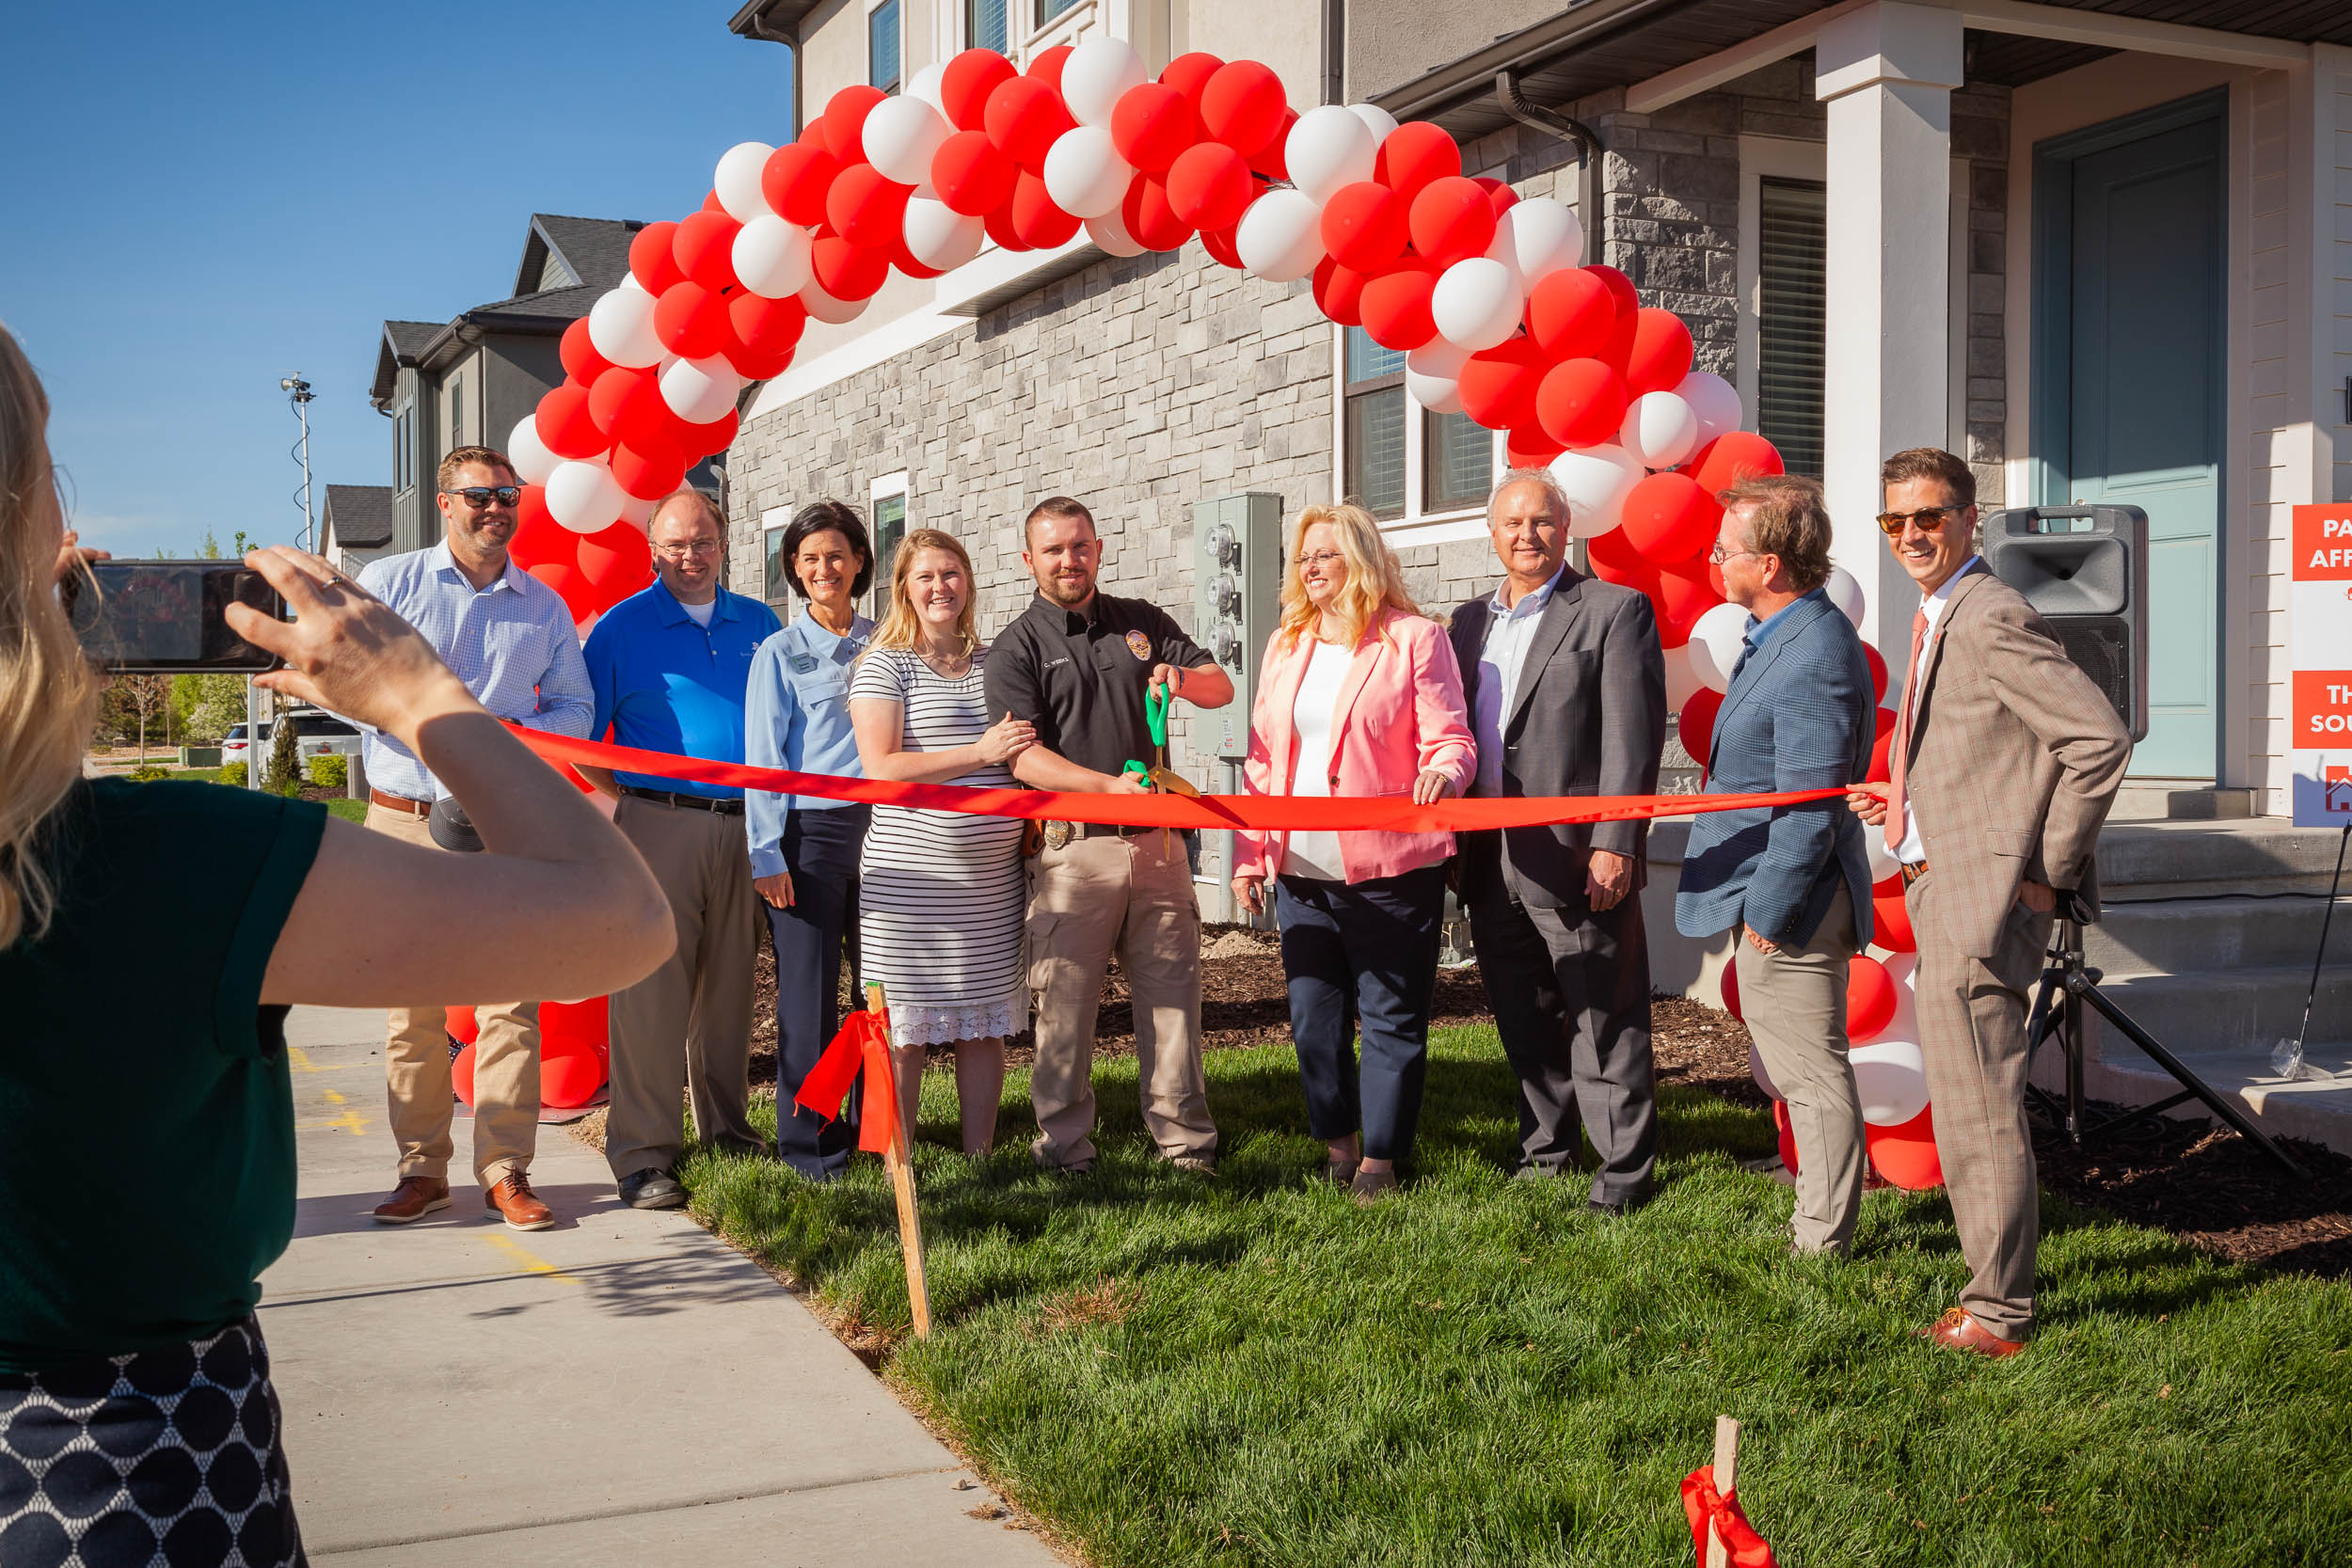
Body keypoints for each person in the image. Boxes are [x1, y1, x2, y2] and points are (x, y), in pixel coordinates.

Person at [0, 323, 671, 1562]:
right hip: (124, 1484)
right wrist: (420, 696)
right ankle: (429, 1161)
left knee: (498, 1017)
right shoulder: (164, 862)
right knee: (438, 1021)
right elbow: (619, 917)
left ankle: (501, 1165)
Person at [1850, 448, 2130, 1355]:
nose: (1912, 536)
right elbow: (1991, 750)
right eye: (1896, 522)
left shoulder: (1989, 612)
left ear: (1971, 519)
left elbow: (2096, 739)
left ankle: (1999, 1313)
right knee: (1974, 1099)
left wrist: (2047, 869)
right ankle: (1992, 1292)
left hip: (1983, 899)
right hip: (1948, 884)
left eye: (1929, 517)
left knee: (1978, 1109)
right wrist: (1909, 801)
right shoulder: (1944, 613)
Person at [354, 446, 596, 1230]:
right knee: (410, 1009)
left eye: (508, 495)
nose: (498, 507)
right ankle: (421, 1169)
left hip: (501, 823)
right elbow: (349, 690)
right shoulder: (389, 586)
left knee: (508, 1004)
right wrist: (434, 727)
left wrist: (503, 737)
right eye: (481, 495)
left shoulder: (544, 606)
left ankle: (505, 1168)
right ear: (444, 502)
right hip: (404, 818)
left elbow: (574, 710)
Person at [1230, 504, 1474, 1202]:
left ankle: (1381, 1160)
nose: (1310, 569)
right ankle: (1338, 1143)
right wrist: (1251, 853)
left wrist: (1446, 772)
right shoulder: (1286, 643)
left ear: (1361, 560)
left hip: (1393, 868)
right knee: (1313, 1015)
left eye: (1325, 556)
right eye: (1304, 557)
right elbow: (1262, 758)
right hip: (1300, 869)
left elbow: (1451, 736)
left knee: (1392, 1012)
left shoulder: (1414, 639)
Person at [984, 497, 1232, 1176]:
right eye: (1055, 549)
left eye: (1080, 546)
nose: (1070, 559)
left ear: (1098, 548)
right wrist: (1102, 787)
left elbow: (1222, 687)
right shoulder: (1017, 646)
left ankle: (1186, 1144)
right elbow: (1022, 758)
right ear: (1029, 559)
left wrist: (1176, 676)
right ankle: (1065, 1147)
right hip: (1075, 849)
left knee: (1173, 1000)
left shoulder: (1142, 623)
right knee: (1064, 1006)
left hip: (1159, 844)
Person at [1449, 470, 1668, 1213]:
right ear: (1492, 532)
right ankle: (1546, 1151)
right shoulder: (1467, 622)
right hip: (1489, 857)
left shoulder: (1613, 611)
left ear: (1565, 528)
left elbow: (1631, 742)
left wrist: (1617, 843)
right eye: (1512, 523)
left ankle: (1623, 1174)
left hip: (1579, 854)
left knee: (1603, 1014)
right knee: (1523, 1013)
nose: (1527, 536)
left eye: (1541, 522)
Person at [1675, 476, 1878, 1256]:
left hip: (1793, 897)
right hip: (1775, 888)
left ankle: (1821, 1243)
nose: (1715, 558)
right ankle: (1820, 1226)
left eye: (1726, 548)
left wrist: (1770, 911)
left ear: (1770, 565)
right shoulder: (1786, 633)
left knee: (1812, 1076)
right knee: (1804, 1070)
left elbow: (1811, 805)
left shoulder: (1814, 653)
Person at [579, 490, 784, 1209]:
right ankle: (643, 1152)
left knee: (731, 989)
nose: (689, 557)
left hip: (749, 826)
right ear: (652, 550)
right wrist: (635, 797)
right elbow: (583, 742)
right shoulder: (619, 627)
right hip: (659, 823)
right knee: (650, 992)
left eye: (701, 542)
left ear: (723, 544)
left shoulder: (759, 622)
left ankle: (726, 1131)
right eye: (674, 545)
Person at [850, 529, 1034, 1153]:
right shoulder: (885, 662)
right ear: (904, 586)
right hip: (913, 883)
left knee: (981, 1025)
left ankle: (979, 1155)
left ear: (969, 582)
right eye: (925, 576)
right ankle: (895, 1162)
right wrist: (978, 752)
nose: (939, 587)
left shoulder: (996, 661)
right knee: (904, 1026)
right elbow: (881, 766)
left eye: (951, 573)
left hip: (990, 884)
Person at [746, 500, 876, 1180]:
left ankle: (877, 1133)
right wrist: (766, 854)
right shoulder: (779, 652)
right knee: (809, 998)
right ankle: (810, 1148)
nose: (824, 568)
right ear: (794, 571)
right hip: (809, 834)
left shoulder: (889, 643)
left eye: (836, 554)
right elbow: (764, 759)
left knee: (879, 992)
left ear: (859, 561)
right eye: (809, 559)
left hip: (886, 831)